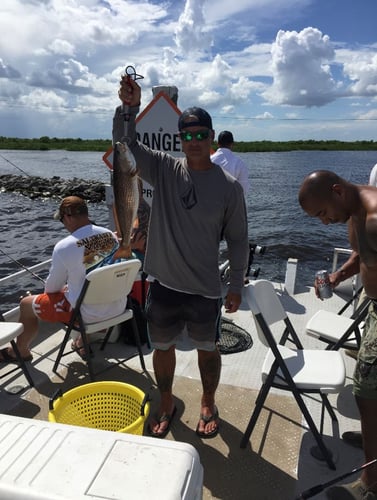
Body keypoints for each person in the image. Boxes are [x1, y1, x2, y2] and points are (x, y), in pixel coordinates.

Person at [113, 77, 249, 439]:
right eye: (186, 136)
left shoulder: (229, 189)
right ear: (179, 139)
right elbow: (125, 146)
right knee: (162, 348)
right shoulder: (163, 169)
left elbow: (238, 241)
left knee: (208, 349)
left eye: (200, 135)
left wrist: (235, 285)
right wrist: (128, 109)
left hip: (205, 288)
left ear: (211, 136)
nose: (193, 142)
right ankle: (168, 400)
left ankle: (207, 401)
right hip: (163, 283)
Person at [298, 170, 377, 500]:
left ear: (337, 191)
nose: (325, 223)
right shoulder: (354, 212)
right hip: (373, 306)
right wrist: (337, 276)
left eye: (322, 213)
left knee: (366, 391)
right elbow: (363, 253)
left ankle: (371, 485)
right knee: (367, 392)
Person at [0, 196, 122, 363]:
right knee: (83, 292)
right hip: (117, 307)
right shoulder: (110, 235)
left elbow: (51, 290)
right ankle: (81, 342)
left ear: (69, 217)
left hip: (87, 315)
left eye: (62, 220)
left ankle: (20, 352)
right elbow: (97, 269)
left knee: (26, 304)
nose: (64, 225)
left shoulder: (65, 246)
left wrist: (63, 289)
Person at [210, 130, 249, 198]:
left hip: (211, 202)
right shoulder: (239, 162)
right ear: (232, 144)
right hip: (232, 203)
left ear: (218, 143)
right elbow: (243, 189)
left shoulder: (209, 160)